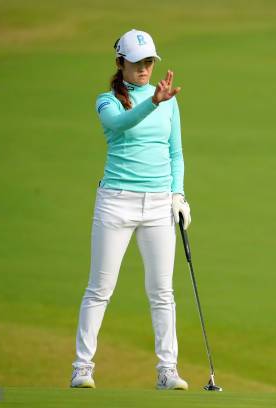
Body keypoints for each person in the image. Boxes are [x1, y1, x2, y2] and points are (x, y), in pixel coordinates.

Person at [70, 28, 191, 391]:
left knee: (162, 292)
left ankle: (167, 370)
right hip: (116, 202)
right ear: (120, 62)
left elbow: (176, 153)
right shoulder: (107, 100)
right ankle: (82, 367)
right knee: (100, 289)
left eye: (150, 62)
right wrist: (152, 102)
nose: (144, 69)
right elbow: (119, 125)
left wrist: (178, 194)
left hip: (158, 205)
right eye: (138, 63)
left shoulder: (169, 100)